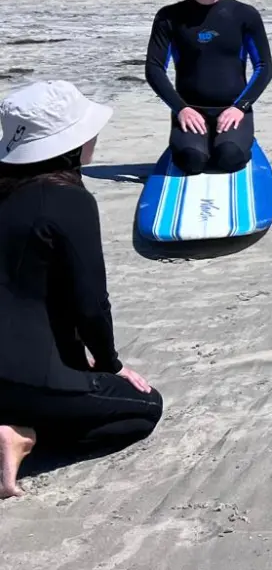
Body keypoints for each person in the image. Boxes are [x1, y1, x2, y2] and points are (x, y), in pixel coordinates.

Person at [0, 81, 162, 498]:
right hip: (21, 372)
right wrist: (109, 363)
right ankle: (17, 432)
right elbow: (90, 303)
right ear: (69, 144)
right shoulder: (66, 200)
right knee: (144, 408)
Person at [144, 0, 272, 175]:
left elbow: (264, 68)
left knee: (230, 158)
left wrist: (239, 108)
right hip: (190, 110)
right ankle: (198, 143)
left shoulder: (244, 14)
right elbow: (154, 69)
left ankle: (234, 139)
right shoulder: (170, 17)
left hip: (233, 109)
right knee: (191, 161)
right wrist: (180, 108)